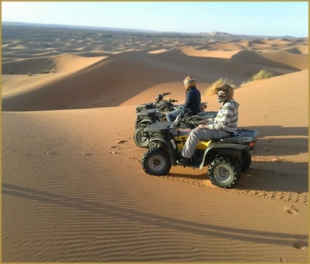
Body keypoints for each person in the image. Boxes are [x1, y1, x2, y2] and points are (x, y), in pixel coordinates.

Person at [177, 83, 239, 166]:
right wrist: (207, 120)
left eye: (220, 94)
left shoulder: (228, 106)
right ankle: (195, 149)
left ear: (226, 94)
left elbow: (222, 125)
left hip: (224, 131)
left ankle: (186, 158)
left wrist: (205, 126)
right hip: (225, 128)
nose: (218, 95)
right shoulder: (229, 102)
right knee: (199, 124)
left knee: (195, 133)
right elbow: (220, 119)